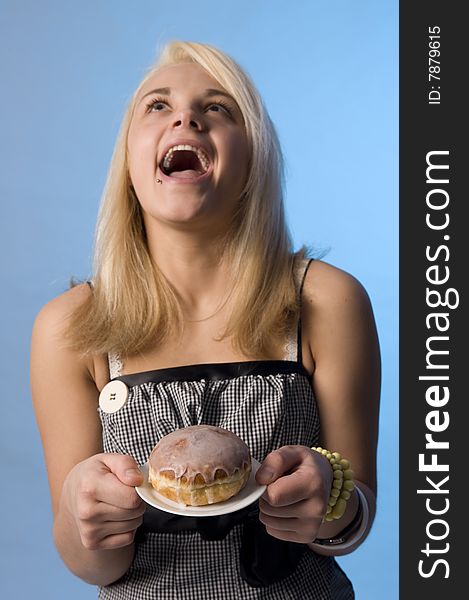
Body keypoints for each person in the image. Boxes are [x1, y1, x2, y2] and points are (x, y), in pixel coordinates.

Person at [31, 40, 381, 599]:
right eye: (157, 106)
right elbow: (91, 566)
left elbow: (357, 515)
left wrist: (330, 502)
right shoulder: (70, 327)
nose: (186, 117)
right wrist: (84, 512)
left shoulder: (328, 300)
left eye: (217, 107)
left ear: (252, 161)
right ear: (128, 164)